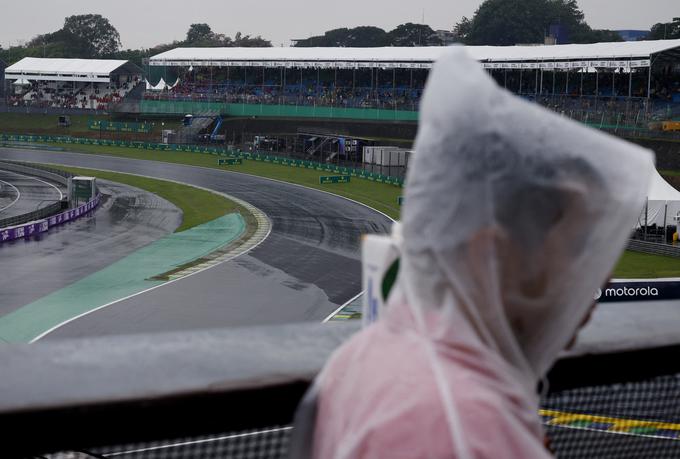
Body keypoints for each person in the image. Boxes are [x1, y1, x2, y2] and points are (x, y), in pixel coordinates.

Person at [289, 48, 654, 459]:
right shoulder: (460, 424)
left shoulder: (372, 353)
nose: (596, 281)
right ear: (492, 251)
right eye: (576, 254)